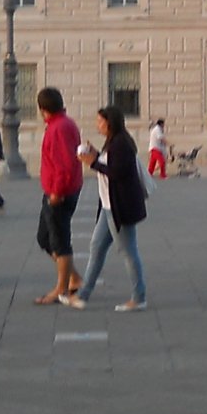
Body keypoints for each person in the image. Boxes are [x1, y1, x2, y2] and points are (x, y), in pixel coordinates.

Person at [64, 105, 149, 312]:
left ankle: (139, 298)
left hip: (119, 207)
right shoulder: (112, 142)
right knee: (96, 247)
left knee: (128, 251)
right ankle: (83, 294)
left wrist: (92, 162)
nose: (97, 125)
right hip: (108, 206)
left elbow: (117, 172)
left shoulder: (121, 144)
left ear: (110, 122)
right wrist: (94, 154)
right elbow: (108, 163)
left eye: (100, 121)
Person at [33, 88, 84, 306]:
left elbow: (64, 164)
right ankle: (74, 278)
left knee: (60, 240)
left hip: (60, 193)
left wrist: (57, 192)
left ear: (42, 109)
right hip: (57, 189)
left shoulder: (59, 128)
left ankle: (61, 289)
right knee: (44, 238)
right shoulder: (63, 124)